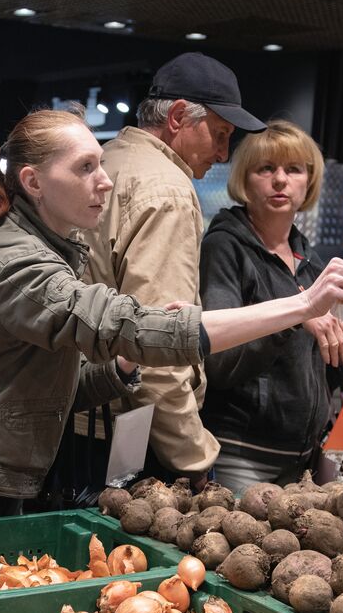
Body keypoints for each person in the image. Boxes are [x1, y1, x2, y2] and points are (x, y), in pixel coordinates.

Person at [0, 106, 343, 525]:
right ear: (33, 182)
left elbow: (54, 389)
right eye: (86, 168)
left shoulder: (54, 251)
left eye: (100, 165)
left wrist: (126, 367)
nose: (104, 181)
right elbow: (125, 325)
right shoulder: (19, 262)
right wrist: (301, 306)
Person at [80, 52, 268, 487]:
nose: (223, 154)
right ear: (179, 116)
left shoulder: (108, 160)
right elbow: (156, 347)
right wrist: (194, 457)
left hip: (79, 414)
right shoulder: (167, 189)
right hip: (125, 432)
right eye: (220, 135)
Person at [199, 120, 343, 490]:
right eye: (266, 169)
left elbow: (324, 370)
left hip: (304, 458)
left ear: (308, 181)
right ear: (245, 180)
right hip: (240, 453)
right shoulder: (224, 248)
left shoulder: (308, 259)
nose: (280, 180)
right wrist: (296, 315)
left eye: (293, 169)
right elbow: (219, 363)